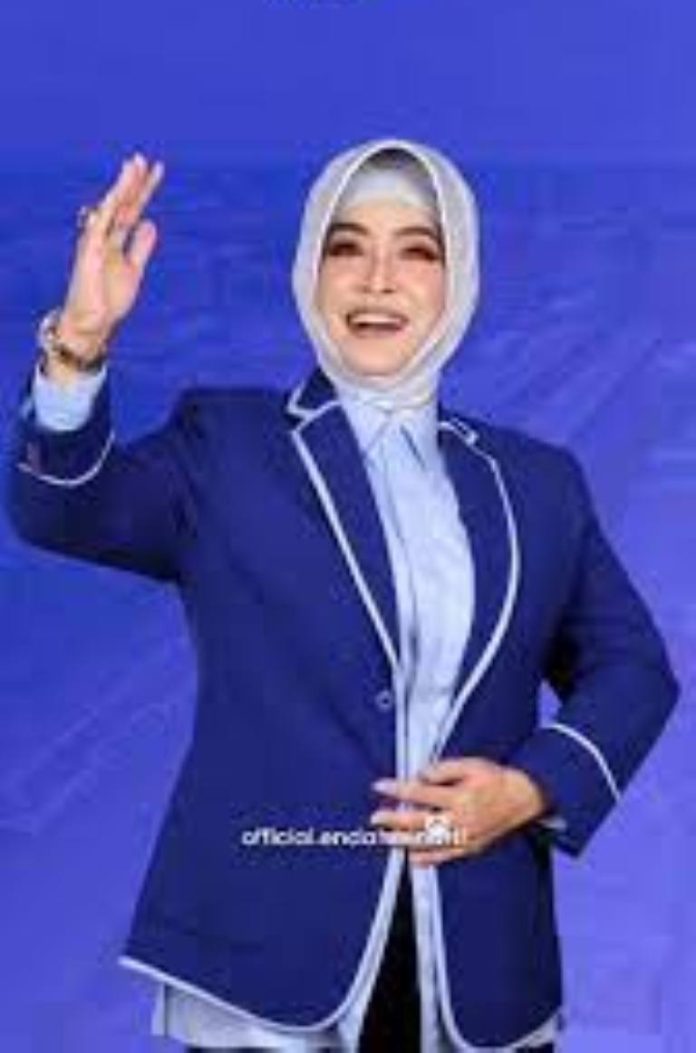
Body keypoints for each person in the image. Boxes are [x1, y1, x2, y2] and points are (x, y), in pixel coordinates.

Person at [5, 137, 678, 1052]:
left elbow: (632, 668)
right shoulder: (226, 444)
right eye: (346, 245)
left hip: (479, 974)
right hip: (264, 969)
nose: (377, 280)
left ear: (459, 279)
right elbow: (63, 513)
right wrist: (80, 346)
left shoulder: (538, 482)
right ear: (309, 272)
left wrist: (529, 787)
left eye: (418, 251)